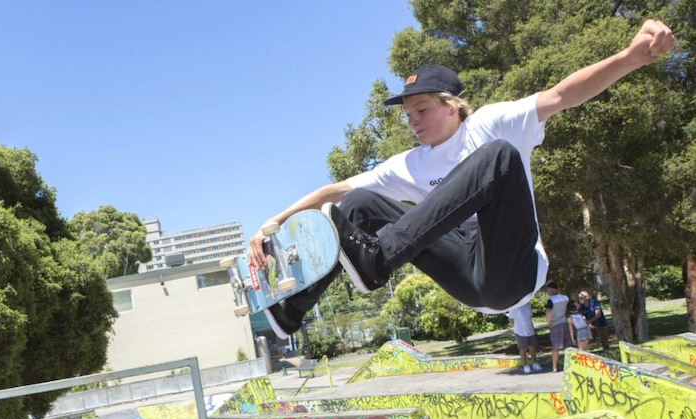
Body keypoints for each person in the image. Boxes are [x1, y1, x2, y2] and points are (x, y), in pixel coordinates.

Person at [249, 20, 675, 340]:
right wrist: (273, 221)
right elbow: (337, 189)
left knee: (499, 158)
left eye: (422, 111)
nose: (413, 122)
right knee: (356, 203)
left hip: (512, 274)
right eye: (408, 115)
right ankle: (291, 310)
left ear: (452, 105)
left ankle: (379, 259)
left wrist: (630, 57)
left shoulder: (491, 124)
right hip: (464, 276)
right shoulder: (410, 164)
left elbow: (561, 95)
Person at [508, 303, 542, 374]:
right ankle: (525, 366)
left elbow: (529, 317)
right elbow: (511, 319)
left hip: (530, 329)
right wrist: (517, 326)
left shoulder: (527, 305)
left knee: (532, 346)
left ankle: (534, 363)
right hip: (520, 331)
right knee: (522, 348)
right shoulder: (514, 307)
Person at [545, 282, 571, 372]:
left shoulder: (551, 300)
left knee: (555, 347)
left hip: (555, 323)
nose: (547, 291)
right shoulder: (565, 298)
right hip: (564, 321)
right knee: (568, 345)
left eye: (548, 289)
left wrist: (548, 322)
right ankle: (570, 364)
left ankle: (555, 367)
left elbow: (548, 311)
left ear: (553, 289)